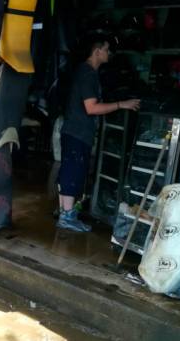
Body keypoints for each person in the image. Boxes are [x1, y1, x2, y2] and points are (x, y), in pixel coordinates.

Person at [57, 33, 140, 232]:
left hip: (75, 132)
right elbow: (91, 108)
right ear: (97, 51)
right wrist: (122, 104)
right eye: (107, 49)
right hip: (77, 133)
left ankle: (64, 212)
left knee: (69, 171)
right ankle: (66, 217)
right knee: (72, 173)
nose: (109, 53)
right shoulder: (87, 73)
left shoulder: (86, 72)